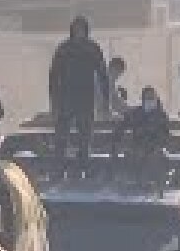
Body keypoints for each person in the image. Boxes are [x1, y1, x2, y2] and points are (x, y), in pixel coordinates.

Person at [48, 15, 109, 160]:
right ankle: (58, 168)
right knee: (61, 138)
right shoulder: (64, 49)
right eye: (76, 29)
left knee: (85, 137)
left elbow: (102, 74)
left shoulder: (92, 48)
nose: (79, 31)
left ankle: (83, 167)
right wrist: (54, 101)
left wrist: (105, 101)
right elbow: (53, 76)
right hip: (66, 99)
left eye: (81, 29)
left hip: (85, 99)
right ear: (72, 30)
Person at [112, 86, 172, 166]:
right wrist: (118, 144)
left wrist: (158, 147)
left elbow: (166, 135)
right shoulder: (135, 114)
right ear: (143, 100)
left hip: (155, 148)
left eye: (152, 98)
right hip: (138, 147)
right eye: (147, 98)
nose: (150, 100)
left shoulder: (161, 116)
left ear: (156, 99)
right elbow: (121, 127)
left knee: (156, 160)